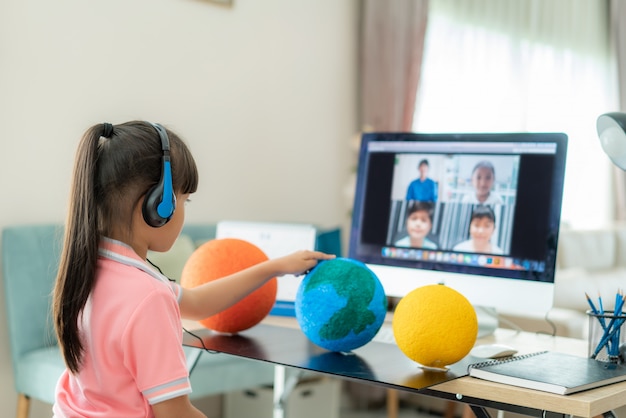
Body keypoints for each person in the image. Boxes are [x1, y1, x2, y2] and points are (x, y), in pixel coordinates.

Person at [52, 121, 335, 418]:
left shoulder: (91, 270)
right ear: (158, 207)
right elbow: (174, 413)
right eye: (184, 200)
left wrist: (274, 267)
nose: (184, 209)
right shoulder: (148, 297)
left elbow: (198, 304)